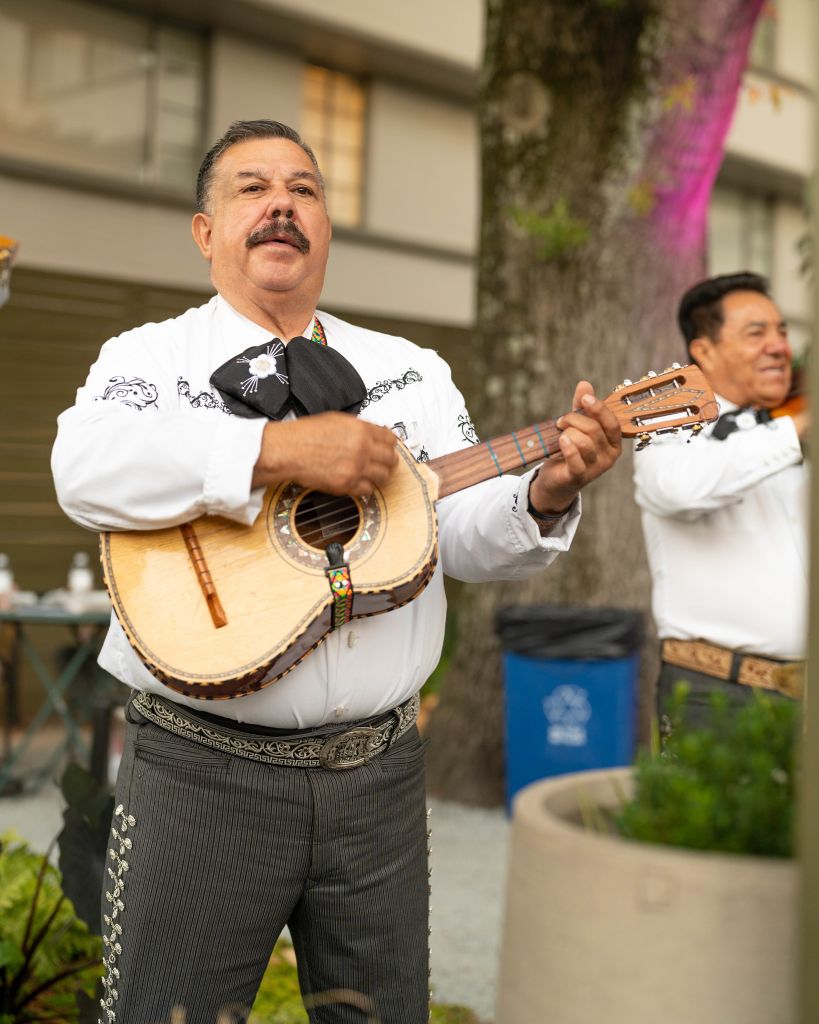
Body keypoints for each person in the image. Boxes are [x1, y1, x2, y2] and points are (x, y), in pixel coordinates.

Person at [52, 119, 621, 1024]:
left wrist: (547, 489)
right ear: (206, 232)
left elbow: (462, 537)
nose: (282, 203)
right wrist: (275, 451)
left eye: (304, 189)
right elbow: (83, 473)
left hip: (380, 774)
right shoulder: (147, 359)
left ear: (324, 229)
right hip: (202, 772)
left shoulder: (412, 371)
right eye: (251, 187)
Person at [633, 271, 808, 736]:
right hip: (715, 697)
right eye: (757, 333)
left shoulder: (784, 426)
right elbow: (677, 489)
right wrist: (796, 430)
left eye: (782, 331)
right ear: (704, 350)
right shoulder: (665, 423)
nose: (778, 346)